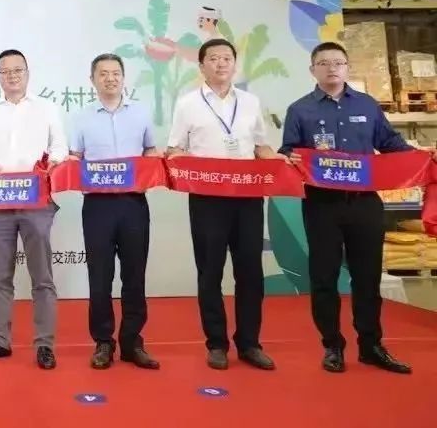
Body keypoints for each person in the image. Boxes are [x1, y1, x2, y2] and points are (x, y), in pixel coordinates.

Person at [280, 41, 435, 374]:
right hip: (322, 205)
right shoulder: (300, 110)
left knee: (367, 277)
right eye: (324, 63)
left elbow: (390, 144)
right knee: (324, 278)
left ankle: (371, 345)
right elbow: (288, 153)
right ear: (313, 70)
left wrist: (422, 157)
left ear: (347, 67)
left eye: (338, 62)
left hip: (365, 204)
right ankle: (332, 346)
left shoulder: (366, 104)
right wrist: (289, 159)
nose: (332, 68)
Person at [166, 38, 285, 371]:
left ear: (235, 64)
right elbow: (175, 149)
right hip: (207, 200)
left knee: (250, 272)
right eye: (214, 58)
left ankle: (250, 344)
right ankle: (216, 344)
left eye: (227, 58)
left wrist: (280, 161)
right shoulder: (187, 103)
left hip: (247, 197)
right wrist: (186, 163)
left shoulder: (249, 102)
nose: (221, 64)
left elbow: (260, 147)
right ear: (201, 66)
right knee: (210, 272)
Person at [0, 49, 68, 370]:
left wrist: (52, 162)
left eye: (18, 70)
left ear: (28, 73)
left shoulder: (46, 108)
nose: (12, 76)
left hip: (36, 201)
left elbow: (59, 146)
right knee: (0, 275)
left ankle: (45, 345)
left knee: (42, 276)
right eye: (6, 71)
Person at [69, 53, 160, 370]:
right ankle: (103, 342)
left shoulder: (141, 112)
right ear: (92, 80)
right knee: (100, 277)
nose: (110, 78)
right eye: (103, 73)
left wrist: (153, 165)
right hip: (97, 205)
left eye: (116, 73)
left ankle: (133, 342)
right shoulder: (80, 117)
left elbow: (150, 150)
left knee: (134, 275)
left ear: (123, 77)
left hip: (133, 203)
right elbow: (75, 157)